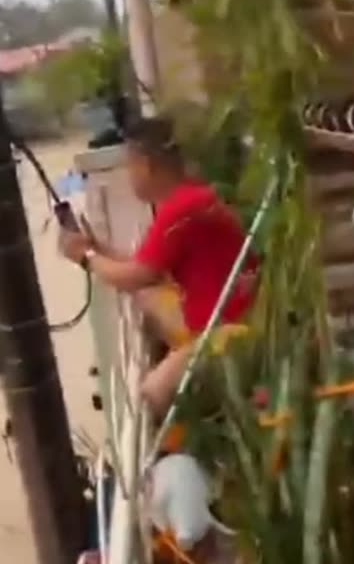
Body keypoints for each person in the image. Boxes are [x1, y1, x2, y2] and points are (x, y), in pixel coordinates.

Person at [58, 119, 257, 419]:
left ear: (146, 165)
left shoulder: (180, 209)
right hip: (227, 317)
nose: (128, 176)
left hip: (230, 331)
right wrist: (97, 249)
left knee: (151, 395)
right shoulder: (191, 196)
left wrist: (86, 257)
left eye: (129, 167)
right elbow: (146, 266)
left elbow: (136, 276)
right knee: (147, 298)